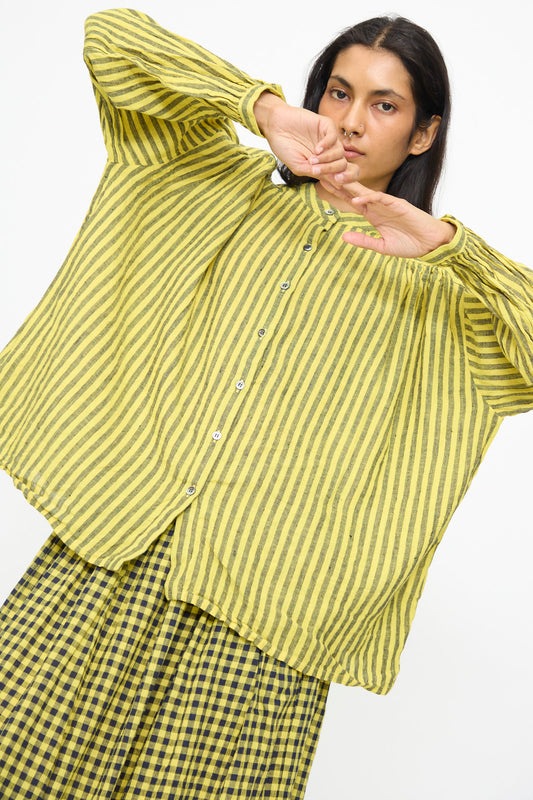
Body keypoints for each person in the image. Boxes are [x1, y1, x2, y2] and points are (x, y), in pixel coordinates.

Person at [0, 7, 532, 799]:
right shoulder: (210, 186)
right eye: (337, 92)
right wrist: (262, 107)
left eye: (383, 105)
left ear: (422, 134)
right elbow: (110, 39)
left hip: (265, 622)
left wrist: (455, 250)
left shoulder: (450, 300)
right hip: (113, 553)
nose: (350, 122)